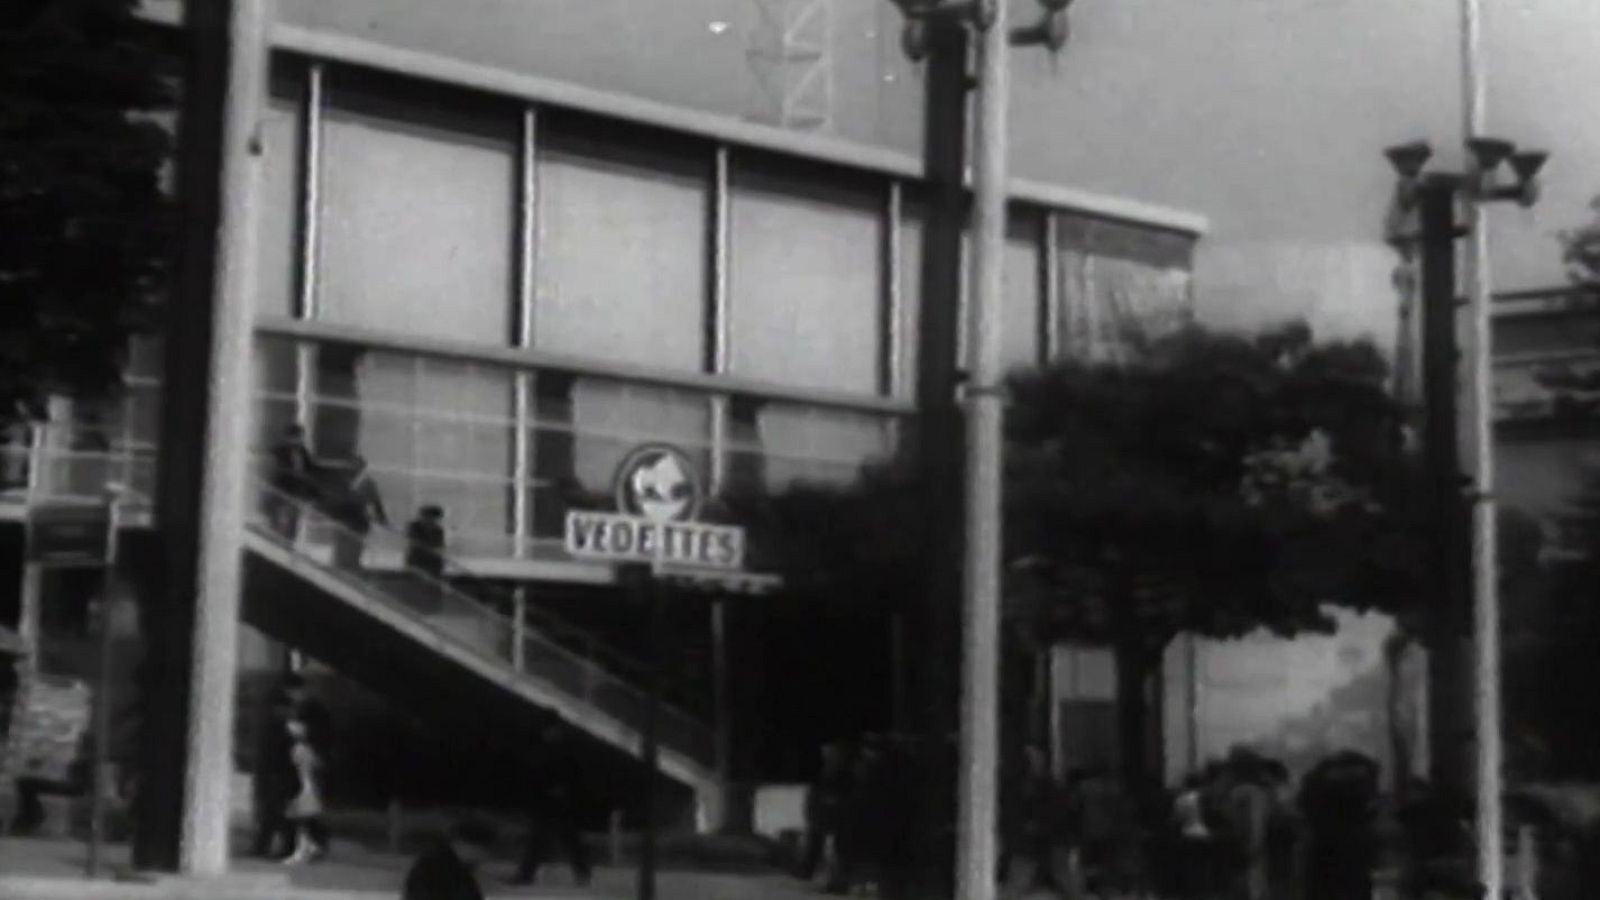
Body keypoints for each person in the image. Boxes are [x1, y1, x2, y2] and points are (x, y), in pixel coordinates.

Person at [511, 722, 592, 886]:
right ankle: (527, 874)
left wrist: (563, 789)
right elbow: (536, 776)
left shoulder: (561, 753)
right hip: (550, 802)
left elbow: (573, 775)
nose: (550, 734)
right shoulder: (546, 752)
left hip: (559, 803)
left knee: (566, 839)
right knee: (542, 839)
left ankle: (581, 872)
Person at [798, 742, 854, 885]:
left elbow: (847, 793)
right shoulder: (824, 772)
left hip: (836, 814)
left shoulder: (844, 773)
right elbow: (814, 794)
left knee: (838, 847)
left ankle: (835, 877)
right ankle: (809, 871)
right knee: (816, 842)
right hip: (823, 813)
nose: (829, 756)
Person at [404, 818, 499, 900]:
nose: (484, 856)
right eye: (483, 850)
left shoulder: (454, 866)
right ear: (464, 844)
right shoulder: (437, 869)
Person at [251, 687, 296, 859]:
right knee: (274, 813)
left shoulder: (281, 728)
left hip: (278, 776)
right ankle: (269, 845)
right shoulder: (281, 728)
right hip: (278, 775)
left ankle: (276, 846)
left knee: (277, 814)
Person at [330, 456, 388, 571]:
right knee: (341, 549)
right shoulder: (342, 481)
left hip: (358, 521)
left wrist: (381, 517)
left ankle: (351, 568)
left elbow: (376, 501)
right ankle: (341, 568)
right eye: (351, 466)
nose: (353, 469)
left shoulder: (367, 483)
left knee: (354, 548)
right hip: (344, 520)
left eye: (356, 466)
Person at [283, 714, 327, 864]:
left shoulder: (297, 750)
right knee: (304, 821)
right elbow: (319, 765)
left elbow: (292, 769)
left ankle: (303, 850)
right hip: (310, 786)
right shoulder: (309, 750)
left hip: (301, 787)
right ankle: (310, 847)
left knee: (299, 822)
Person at [267, 424, 320, 540]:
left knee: (293, 517)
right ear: (289, 437)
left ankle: (289, 539)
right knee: (280, 514)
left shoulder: (303, 452)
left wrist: (311, 491)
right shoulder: (280, 451)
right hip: (282, 488)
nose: (300, 440)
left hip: (296, 490)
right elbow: (277, 467)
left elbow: (310, 469)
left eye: (300, 438)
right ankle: (275, 535)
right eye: (297, 437)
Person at [405, 505, 447, 578]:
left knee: (437, 562)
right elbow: (413, 540)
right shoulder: (414, 526)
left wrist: (435, 548)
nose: (430, 520)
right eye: (426, 517)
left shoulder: (438, 530)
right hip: (416, 558)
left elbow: (440, 545)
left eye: (434, 518)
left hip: (431, 558)